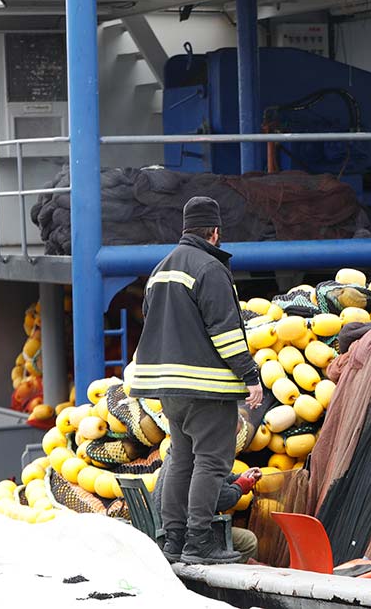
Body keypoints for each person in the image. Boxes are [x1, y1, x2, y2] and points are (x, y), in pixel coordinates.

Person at [131, 196, 265, 565]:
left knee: (180, 459)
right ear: (215, 232)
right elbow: (225, 332)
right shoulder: (210, 268)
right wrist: (250, 375)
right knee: (210, 461)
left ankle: (173, 540)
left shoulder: (160, 269)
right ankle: (200, 540)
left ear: (186, 229)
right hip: (205, 386)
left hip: (167, 387)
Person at [155, 457, 264, 563]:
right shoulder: (206, 455)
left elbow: (212, 480)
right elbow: (222, 500)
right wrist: (240, 486)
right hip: (190, 536)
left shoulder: (176, 452)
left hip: (167, 532)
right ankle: (223, 578)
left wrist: (240, 477)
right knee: (249, 541)